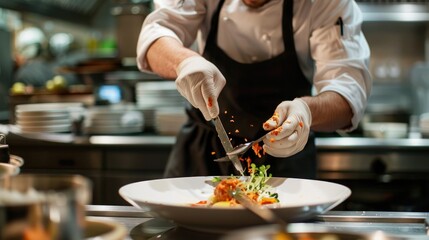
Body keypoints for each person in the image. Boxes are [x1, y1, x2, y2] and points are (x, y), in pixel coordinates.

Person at [136, 0, 372, 178]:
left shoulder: (326, 3)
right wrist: (184, 61)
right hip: (203, 151)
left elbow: (348, 91)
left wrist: (306, 111)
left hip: (287, 154)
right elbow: (157, 34)